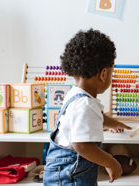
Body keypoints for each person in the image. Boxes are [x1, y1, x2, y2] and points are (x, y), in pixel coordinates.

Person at [44, 29, 132, 186]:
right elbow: (82, 145)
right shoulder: (84, 104)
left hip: (67, 174)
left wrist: (114, 123)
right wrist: (110, 162)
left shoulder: (76, 96)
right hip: (70, 179)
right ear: (104, 74)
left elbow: (94, 117)